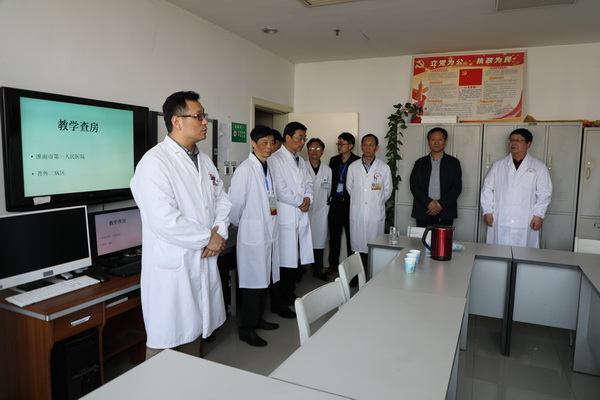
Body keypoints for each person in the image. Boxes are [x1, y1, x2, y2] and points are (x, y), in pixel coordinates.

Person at [130, 91, 231, 359]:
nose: (205, 121)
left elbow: (222, 200)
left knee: (193, 338)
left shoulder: (204, 160)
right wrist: (207, 238)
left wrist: (219, 232)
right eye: (199, 116)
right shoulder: (154, 163)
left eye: (204, 116)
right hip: (173, 268)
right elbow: (164, 219)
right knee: (164, 344)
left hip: (202, 258)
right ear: (177, 121)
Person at [229, 125, 280, 347]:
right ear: (253, 143)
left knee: (263, 280)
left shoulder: (268, 167)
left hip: (267, 232)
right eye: (264, 143)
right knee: (252, 284)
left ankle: (258, 319)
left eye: (271, 143)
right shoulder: (245, 170)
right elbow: (235, 204)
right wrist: (238, 222)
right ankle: (247, 329)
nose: (268, 147)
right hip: (253, 234)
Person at [268, 121, 314, 318]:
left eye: (304, 138)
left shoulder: (300, 161)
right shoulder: (275, 159)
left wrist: (308, 197)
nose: (303, 142)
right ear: (287, 137)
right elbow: (279, 188)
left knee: (293, 260)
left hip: (299, 215)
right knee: (281, 262)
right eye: (299, 138)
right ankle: (277, 302)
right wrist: (299, 201)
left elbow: (309, 183)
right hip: (285, 217)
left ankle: (288, 294)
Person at [480, 128, 552, 248]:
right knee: (498, 252)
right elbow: (487, 189)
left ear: (528, 144)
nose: (514, 143)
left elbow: (545, 193)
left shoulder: (539, 167)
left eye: (518, 140)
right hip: (500, 218)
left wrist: (538, 215)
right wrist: (487, 211)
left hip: (526, 220)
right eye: (512, 140)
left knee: (523, 254)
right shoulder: (498, 165)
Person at [347, 134, 392, 277]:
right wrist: (362, 200)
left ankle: (372, 277)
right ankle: (358, 277)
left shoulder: (383, 168)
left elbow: (387, 191)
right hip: (358, 213)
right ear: (361, 147)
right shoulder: (353, 167)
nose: (368, 148)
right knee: (358, 248)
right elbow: (350, 188)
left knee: (374, 247)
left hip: (374, 214)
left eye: (371, 145)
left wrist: (374, 202)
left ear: (377, 148)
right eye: (365, 145)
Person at [409, 127, 462, 227]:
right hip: (423, 210)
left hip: (446, 212)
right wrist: (428, 203)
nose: (436, 143)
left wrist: (439, 204)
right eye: (433, 139)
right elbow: (414, 186)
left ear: (445, 141)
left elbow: (456, 187)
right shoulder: (420, 163)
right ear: (428, 142)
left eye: (440, 139)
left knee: (443, 237)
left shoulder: (453, 163)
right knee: (423, 237)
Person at [325, 132, 360, 275]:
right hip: (335, 203)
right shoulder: (334, 160)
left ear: (350, 146)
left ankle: (352, 268)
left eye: (342, 144)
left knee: (352, 237)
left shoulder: (357, 161)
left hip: (350, 204)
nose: (339, 146)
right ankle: (333, 264)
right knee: (334, 235)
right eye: (338, 143)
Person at [305, 138, 332, 282]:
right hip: (304, 210)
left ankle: (317, 270)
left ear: (322, 151)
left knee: (319, 241)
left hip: (321, 210)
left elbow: (329, 191)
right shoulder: (301, 167)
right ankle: (299, 270)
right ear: (307, 150)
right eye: (311, 148)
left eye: (317, 149)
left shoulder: (327, 170)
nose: (314, 151)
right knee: (301, 240)